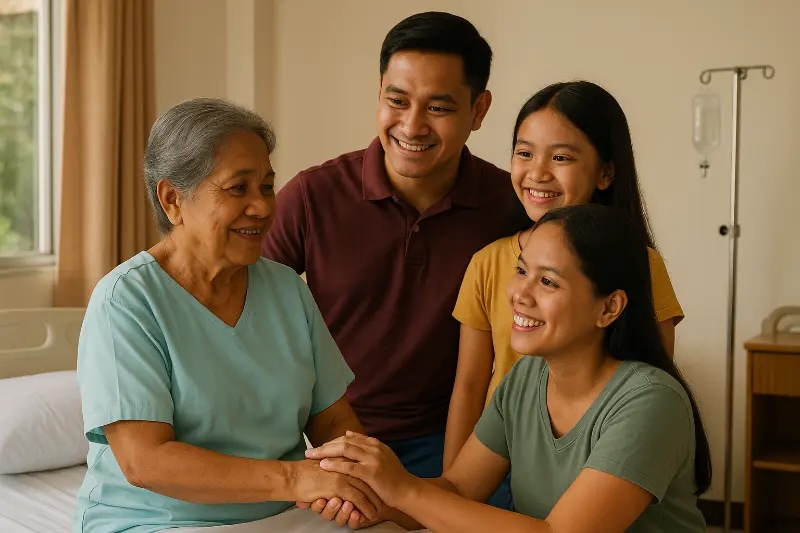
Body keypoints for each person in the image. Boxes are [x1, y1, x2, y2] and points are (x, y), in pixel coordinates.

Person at [73, 98, 381, 533]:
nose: (263, 207)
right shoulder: (126, 302)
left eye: (267, 187)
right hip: (159, 522)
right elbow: (146, 461)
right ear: (172, 199)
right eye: (238, 188)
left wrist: (354, 482)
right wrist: (295, 479)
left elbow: (331, 419)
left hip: (285, 515)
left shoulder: (287, 289)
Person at [307, 203, 711, 533]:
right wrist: (375, 498)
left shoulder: (650, 402)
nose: (520, 294)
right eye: (521, 270)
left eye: (548, 282)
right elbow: (458, 490)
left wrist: (404, 490)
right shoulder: (526, 377)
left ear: (609, 307)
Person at [261, 10, 526, 487]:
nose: (412, 125)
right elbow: (240, 304)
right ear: (379, 93)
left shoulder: (509, 204)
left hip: (461, 439)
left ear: (479, 110)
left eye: (438, 108)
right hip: (334, 435)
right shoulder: (313, 196)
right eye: (397, 100)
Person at [444, 81, 685, 475]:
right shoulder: (487, 262)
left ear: (605, 172)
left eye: (560, 157)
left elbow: (651, 382)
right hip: (496, 465)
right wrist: (450, 482)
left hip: (597, 465)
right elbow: (470, 385)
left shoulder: (640, 265)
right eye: (524, 153)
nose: (537, 173)